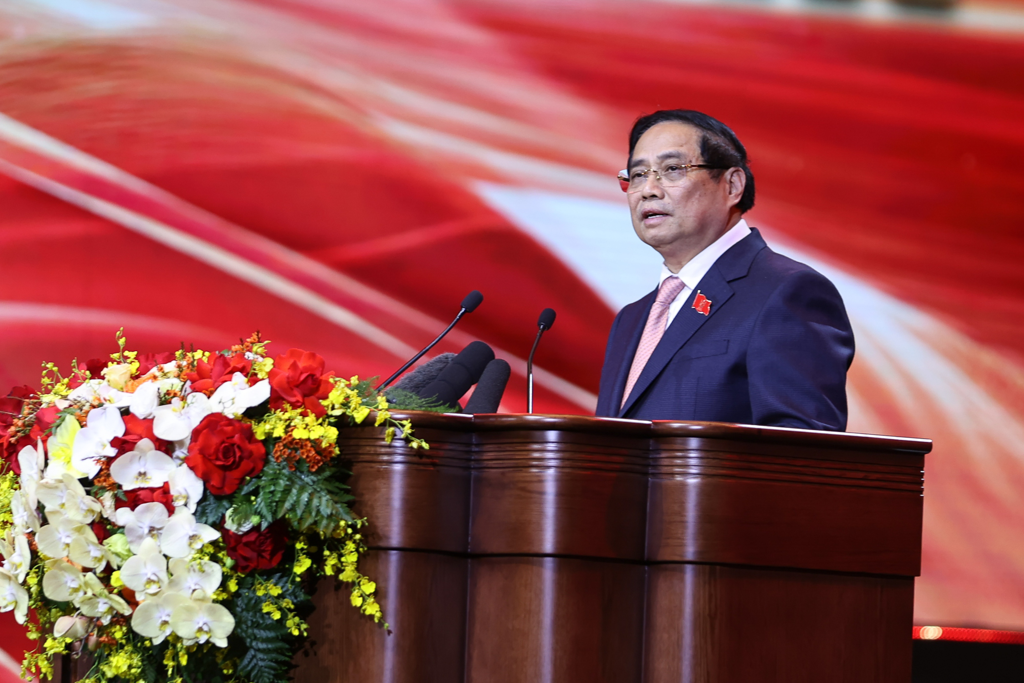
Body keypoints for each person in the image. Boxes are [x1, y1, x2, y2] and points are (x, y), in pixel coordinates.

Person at [595, 110, 854, 431]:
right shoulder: (631, 319)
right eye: (637, 175)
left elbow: (801, 449)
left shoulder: (787, 292)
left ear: (732, 185)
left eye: (672, 169)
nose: (649, 189)